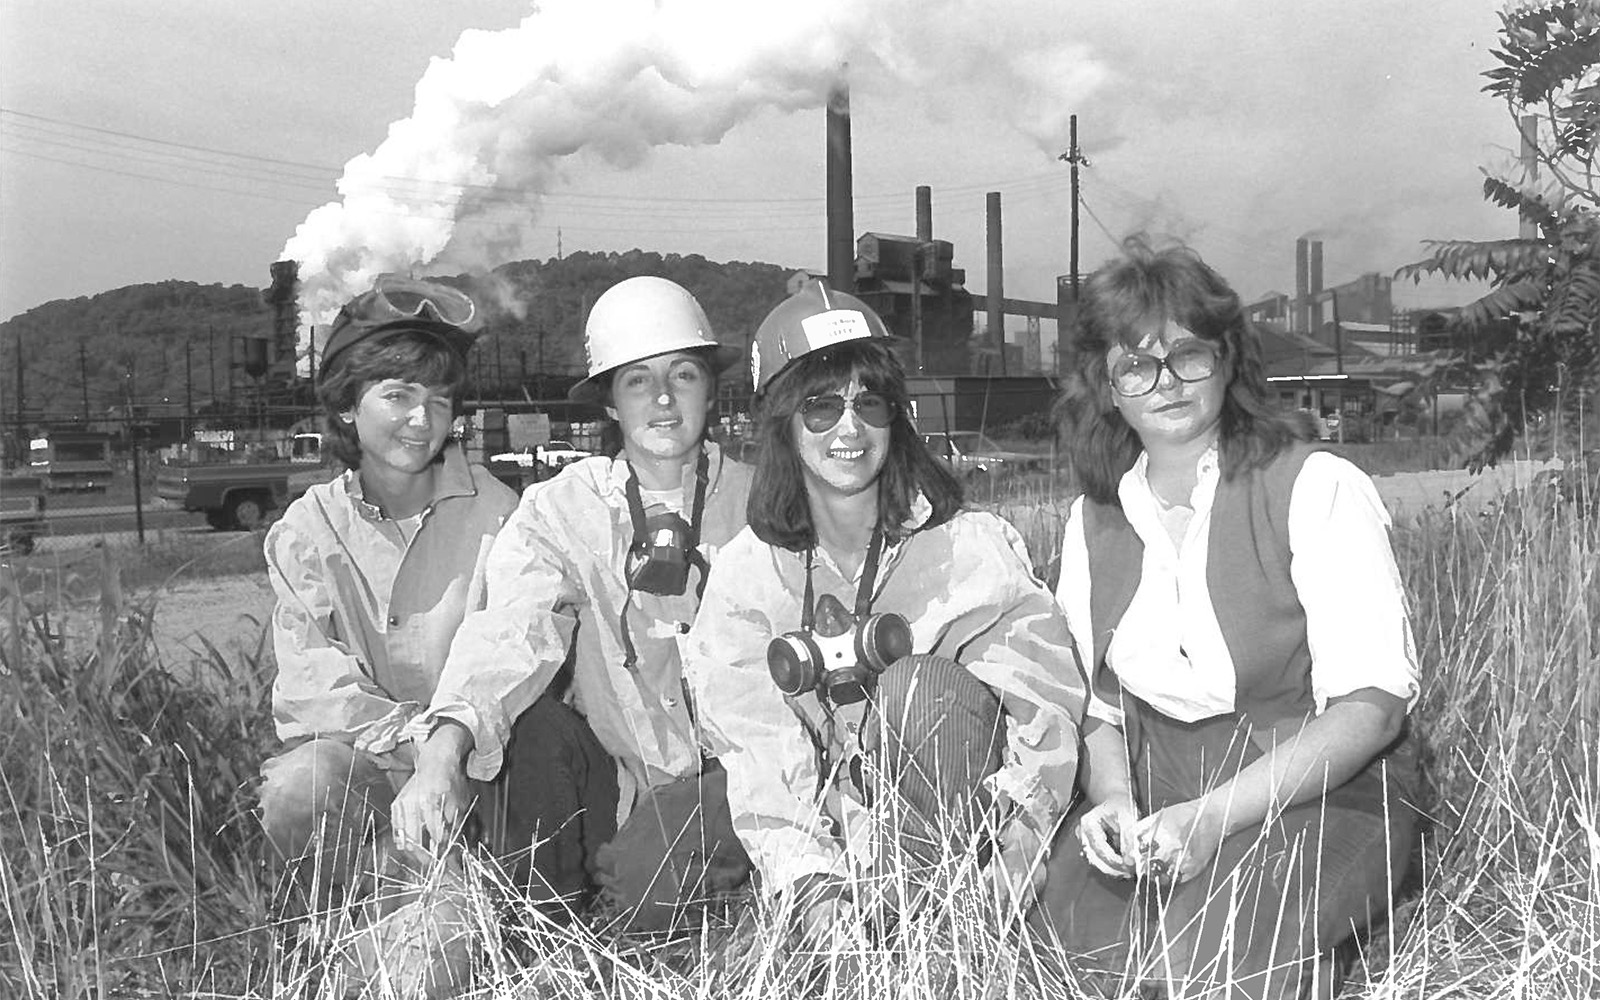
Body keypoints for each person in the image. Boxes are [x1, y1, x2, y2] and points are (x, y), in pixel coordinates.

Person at [1033, 237, 1421, 1000]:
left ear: (1227, 359)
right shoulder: (1094, 518)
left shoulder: (1315, 486)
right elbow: (1100, 708)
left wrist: (1213, 817)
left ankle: (1307, 941)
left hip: (1316, 788)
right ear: (1108, 388)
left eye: (1187, 355)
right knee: (1064, 950)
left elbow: (1371, 713)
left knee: (1196, 971)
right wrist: (1113, 797)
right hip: (1163, 793)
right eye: (1135, 365)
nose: (1165, 382)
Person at [681, 280, 1087, 955]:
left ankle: (937, 929)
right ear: (781, 419)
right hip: (831, 837)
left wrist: (1022, 836)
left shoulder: (967, 546)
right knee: (662, 882)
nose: (849, 427)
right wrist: (812, 885)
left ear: (896, 416)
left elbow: (1042, 702)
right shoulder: (748, 572)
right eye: (819, 406)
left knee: (919, 687)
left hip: (966, 835)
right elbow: (756, 744)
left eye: (869, 403)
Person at [393, 275, 756, 932]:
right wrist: (446, 746)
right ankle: (546, 930)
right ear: (611, 403)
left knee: (653, 896)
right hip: (618, 779)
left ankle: (676, 901)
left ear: (711, 386)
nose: (665, 398)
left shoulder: (764, 503)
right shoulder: (561, 509)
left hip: (740, 779)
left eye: (684, 374)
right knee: (528, 731)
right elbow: (513, 630)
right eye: (638, 381)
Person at [257, 275, 522, 995]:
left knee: (435, 960)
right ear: (348, 403)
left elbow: (510, 652)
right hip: (374, 778)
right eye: (398, 394)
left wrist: (445, 753)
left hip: (477, 775)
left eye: (439, 400)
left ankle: (436, 920)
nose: (421, 419)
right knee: (297, 786)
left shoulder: (501, 516)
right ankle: (349, 923)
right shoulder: (308, 529)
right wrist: (412, 741)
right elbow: (311, 691)